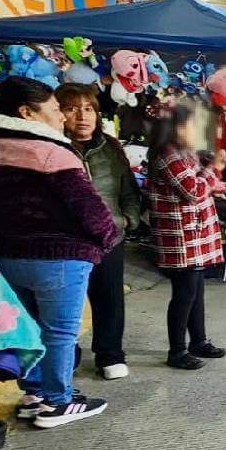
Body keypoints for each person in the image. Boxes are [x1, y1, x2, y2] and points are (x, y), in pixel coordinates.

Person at [0, 77, 119, 428]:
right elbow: (89, 208)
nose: (62, 119)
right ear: (27, 112)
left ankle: (33, 395)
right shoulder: (50, 152)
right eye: (56, 110)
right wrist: (107, 239)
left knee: (30, 328)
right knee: (60, 331)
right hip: (60, 255)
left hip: (6, 254)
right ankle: (58, 402)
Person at [56, 83, 142, 381]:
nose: (82, 116)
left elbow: (128, 189)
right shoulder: (52, 147)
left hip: (109, 235)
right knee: (65, 302)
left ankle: (110, 354)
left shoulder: (112, 147)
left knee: (109, 297)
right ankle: (69, 357)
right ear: (58, 113)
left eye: (89, 108)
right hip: (67, 239)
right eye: (72, 108)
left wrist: (128, 218)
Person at [146, 101, 226, 371]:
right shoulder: (168, 155)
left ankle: (198, 341)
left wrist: (213, 181)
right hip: (181, 239)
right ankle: (177, 350)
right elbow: (192, 190)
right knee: (184, 294)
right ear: (175, 128)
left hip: (193, 237)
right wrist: (212, 168)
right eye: (192, 125)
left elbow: (200, 187)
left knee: (196, 292)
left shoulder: (185, 154)